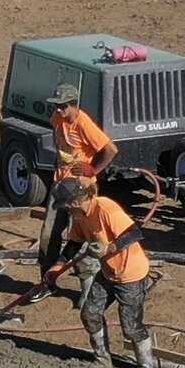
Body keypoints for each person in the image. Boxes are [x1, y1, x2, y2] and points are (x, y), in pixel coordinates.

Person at [35, 176, 158, 368]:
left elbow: (135, 233)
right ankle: (103, 361)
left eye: (65, 206)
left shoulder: (105, 209)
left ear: (74, 202)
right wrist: (58, 265)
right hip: (108, 273)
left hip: (130, 274)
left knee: (131, 327)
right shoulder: (80, 217)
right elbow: (74, 244)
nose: (65, 210)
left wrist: (109, 247)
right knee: (90, 313)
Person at [40, 84, 117, 268]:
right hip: (59, 185)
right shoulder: (57, 117)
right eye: (56, 106)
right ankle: (47, 276)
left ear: (74, 104)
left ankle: (88, 278)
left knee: (84, 233)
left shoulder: (84, 124)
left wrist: (92, 169)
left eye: (63, 106)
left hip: (79, 189)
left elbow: (110, 149)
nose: (59, 110)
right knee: (49, 233)